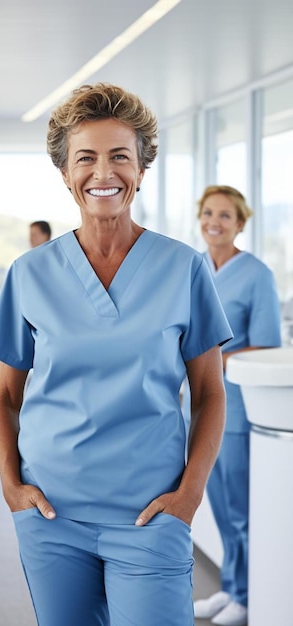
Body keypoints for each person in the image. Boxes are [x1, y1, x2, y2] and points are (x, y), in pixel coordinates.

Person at [0, 83, 233, 626]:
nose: (103, 173)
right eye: (86, 158)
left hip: (150, 516)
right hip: (50, 516)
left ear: (141, 170)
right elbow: (3, 396)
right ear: (66, 173)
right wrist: (10, 486)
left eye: (120, 156)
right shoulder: (30, 274)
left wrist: (189, 496)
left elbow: (211, 393)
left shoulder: (183, 269)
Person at [183, 185, 281, 626]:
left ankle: (246, 597)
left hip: (237, 410)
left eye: (225, 216)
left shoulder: (257, 274)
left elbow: (266, 346)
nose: (214, 222)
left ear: (240, 223)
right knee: (218, 505)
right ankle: (231, 588)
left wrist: (215, 360)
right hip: (198, 406)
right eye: (208, 213)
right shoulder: (193, 268)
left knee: (240, 510)